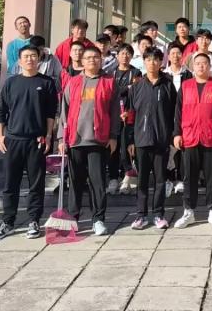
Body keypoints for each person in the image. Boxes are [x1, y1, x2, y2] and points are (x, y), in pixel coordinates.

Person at [0, 44, 58, 239]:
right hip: (13, 139)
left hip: (36, 140)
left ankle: (34, 220)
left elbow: (51, 113)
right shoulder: (11, 83)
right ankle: (7, 221)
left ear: (39, 59)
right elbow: (1, 111)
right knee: (10, 183)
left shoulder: (47, 82)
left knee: (36, 184)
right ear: (19, 61)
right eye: (26, 56)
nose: (30, 59)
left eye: (33, 56)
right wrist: (0, 135)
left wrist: (48, 136)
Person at [60, 46, 119, 236]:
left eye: (96, 57)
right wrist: (61, 138)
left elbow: (115, 112)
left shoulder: (109, 82)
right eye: (88, 58)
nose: (92, 60)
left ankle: (98, 219)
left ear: (101, 60)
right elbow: (64, 111)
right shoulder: (73, 82)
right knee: (75, 182)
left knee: (98, 182)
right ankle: (73, 218)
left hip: (98, 140)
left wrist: (113, 136)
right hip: (75, 139)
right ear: (82, 61)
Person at [173, 52, 212, 229]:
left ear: (210, 66)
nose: (201, 66)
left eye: (205, 63)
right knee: (189, 177)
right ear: (192, 67)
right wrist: (177, 133)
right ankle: (188, 211)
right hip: (190, 136)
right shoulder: (186, 85)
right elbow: (178, 111)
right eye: (198, 64)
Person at [126, 47, 176, 230]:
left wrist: (172, 135)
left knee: (160, 179)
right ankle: (141, 215)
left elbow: (175, 113)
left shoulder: (168, 85)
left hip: (161, 139)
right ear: (144, 62)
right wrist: (130, 140)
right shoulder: (137, 87)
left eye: (156, 59)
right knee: (142, 180)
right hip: (141, 139)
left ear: (161, 62)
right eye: (148, 59)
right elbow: (130, 115)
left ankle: (158, 214)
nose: (152, 63)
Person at [111, 44, 141, 194]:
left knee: (127, 146)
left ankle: (128, 177)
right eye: (122, 53)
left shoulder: (135, 72)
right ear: (117, 56)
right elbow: (111, 92)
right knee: (113, 148)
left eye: (128, 53)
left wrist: (128, 112)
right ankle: (113, 178)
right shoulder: (111, 72)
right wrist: (126, 88)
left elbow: (136, 92)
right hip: (113, 115)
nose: (125, 56)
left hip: (129, 115)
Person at [165, 42, 189, 196]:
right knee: (168, 148)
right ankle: (168, 178)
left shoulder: (188, 74)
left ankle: (180, 179)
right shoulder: (163, 74)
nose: (175, 56)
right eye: (172, 53)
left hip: (184, 115)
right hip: (167, 116)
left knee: (181, 147)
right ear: (168, 56)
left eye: (178, 53)